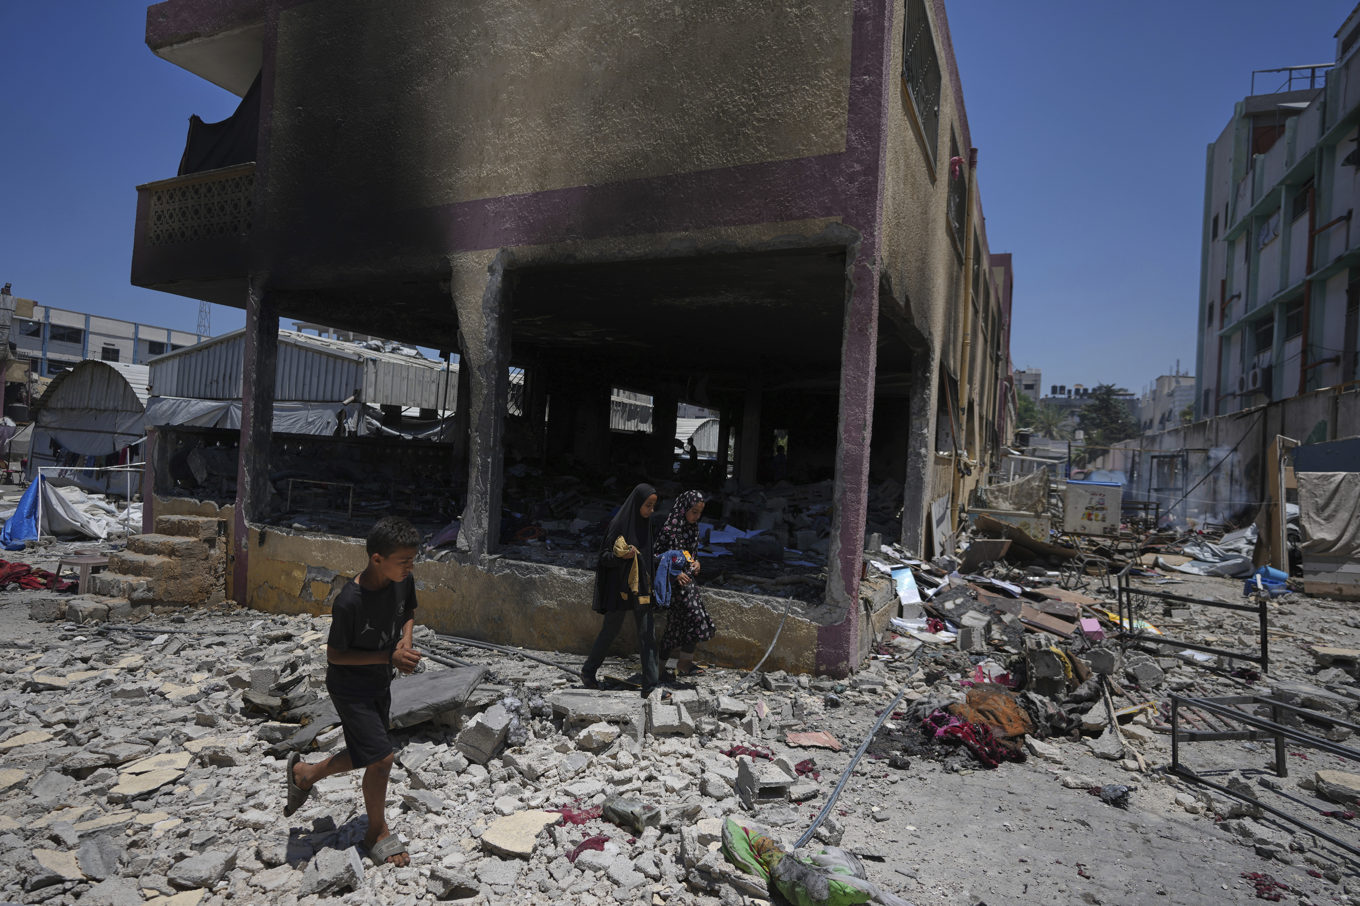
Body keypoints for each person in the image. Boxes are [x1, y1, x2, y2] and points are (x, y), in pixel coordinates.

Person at [284, 516, 423, 867]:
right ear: (377, 559)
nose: (410, 567)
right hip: (349, 687)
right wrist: (389, 655)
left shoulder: (402, 581)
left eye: (412, 560)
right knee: (382, 758)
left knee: (370, 751)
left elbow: (408, 610)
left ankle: (306, 774)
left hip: (380, 680)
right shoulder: (350, 600)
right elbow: (335, 655)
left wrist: (405, 640)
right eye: (404, 561)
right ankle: (376, 832)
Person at [582, 483, 660, 696]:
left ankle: (651, 687)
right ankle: (588, 672)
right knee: (610, 631)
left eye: (653, 506)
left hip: (641, 587)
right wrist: (621, 556)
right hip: (620, 588)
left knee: (647, 634)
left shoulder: (646, 524)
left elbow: (647, 555)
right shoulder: (618, 524)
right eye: (648, 505)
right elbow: (604, 557)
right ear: (637, 504)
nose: (651, 510)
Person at [657, 490, 715, 676]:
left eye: (699, 513)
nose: (696, 517)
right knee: (694, 619)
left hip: (688, 584)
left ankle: (677, 664)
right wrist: (675, 573)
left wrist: (696, 563)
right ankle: (672, 665)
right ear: (683, 509)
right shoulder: (670, 529)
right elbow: (657, 556)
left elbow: (691, 554)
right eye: (694, 512)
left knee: (677, 626)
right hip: (673, 586)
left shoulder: (693, 529)